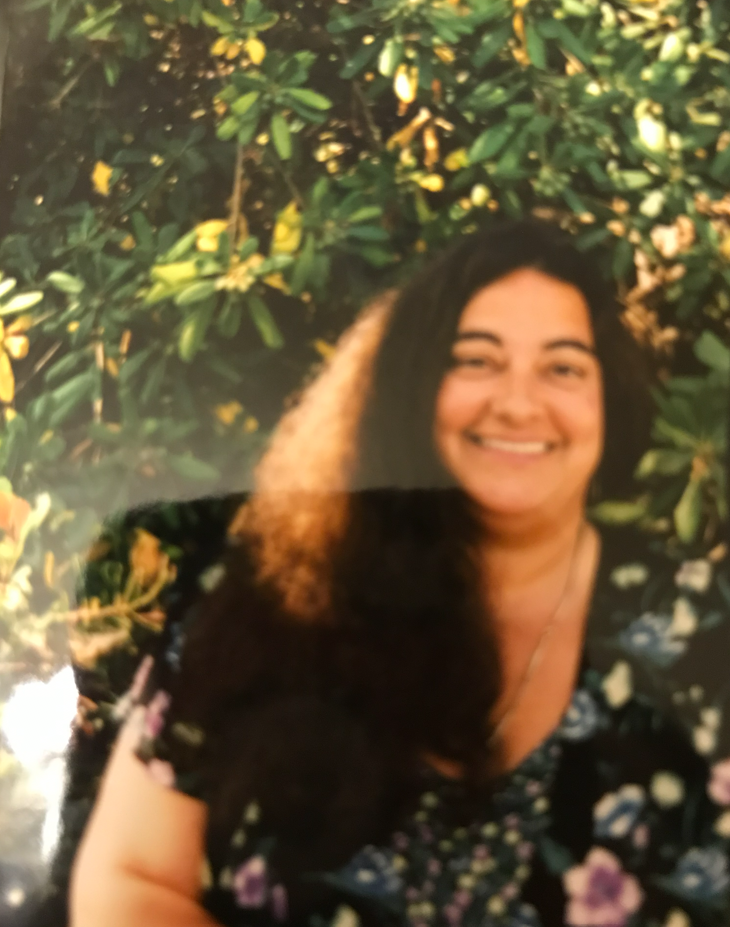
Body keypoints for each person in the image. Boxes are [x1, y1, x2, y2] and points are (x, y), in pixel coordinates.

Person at [69, 218, 730, 927]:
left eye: (563, 367)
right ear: (413, 387)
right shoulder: (265, 603)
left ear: (608, 399)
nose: (518, 402)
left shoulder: (704, 634)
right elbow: (131, 878)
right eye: (476, 360)